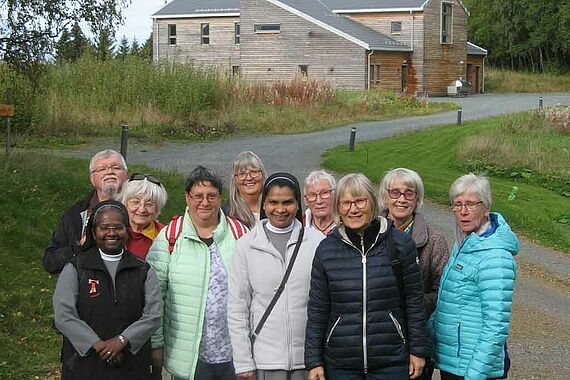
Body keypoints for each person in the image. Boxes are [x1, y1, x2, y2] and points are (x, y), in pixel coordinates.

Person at [305, 173, 429, 380]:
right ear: (338, 208)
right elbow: (318, 309)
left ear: (372, 202)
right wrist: (314, 361)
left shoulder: (400, 244)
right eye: (346, 203)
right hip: (341, 363)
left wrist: (418, 351)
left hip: (390, 361)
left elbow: (414, 302)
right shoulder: (326, 250)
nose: (353, 209)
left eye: (360, 201)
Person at [146, 165, 248, 380]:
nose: (204, 202)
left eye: (211, 196)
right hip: (188, 357)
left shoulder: (240, 234)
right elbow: (153, 297)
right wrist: (156, 344)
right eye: (198, 196)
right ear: (187, 197)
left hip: (234, 355)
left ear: (220, 198)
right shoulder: (169, 238)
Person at [228, 172, 324, 380]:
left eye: (288, 202)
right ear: (264, 205)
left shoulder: (318, 243)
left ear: (298, 205)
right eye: (273, 202)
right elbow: (237, 307)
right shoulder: (246, 246)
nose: (280, 209)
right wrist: (243, 362)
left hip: (309, 362)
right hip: (265, 361)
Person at [53, 200, 162, 380]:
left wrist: (121, 341)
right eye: (104, 227)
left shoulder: (143, 270)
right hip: (84, 363)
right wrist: (98, 345)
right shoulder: (75, 268)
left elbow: (154, 315)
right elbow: (64, 315)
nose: (111, 233)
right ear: (94, 232)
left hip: (132, 364)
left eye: (118, 227)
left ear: (127, 231)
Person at [431, 174, 518, 380]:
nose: (463, 212)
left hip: (474, 368)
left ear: (486, 207)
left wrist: (475, 375)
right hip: (455, 361)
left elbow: (496, 326)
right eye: (457, 204)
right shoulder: (466, 242)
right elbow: (451, 302)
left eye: (470, 204)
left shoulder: (495, 256)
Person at [379, 168, 449, 380]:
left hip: (416, 338)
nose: (401, 199)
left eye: (409, 193)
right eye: (395, 192)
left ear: (417, 198)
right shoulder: (370, 234)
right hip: (377, 339)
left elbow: (443, 291)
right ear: (385, 196)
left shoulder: (433, 241)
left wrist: (412, 306)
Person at [43, 149, 129, 274]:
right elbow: (50, 262)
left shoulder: (139, 210)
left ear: (126, 175)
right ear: (92, 179)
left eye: (116, 167)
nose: (109, 171)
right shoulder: (75, 214)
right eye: (102, 169)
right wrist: (78, 246)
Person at [118, 173, 168, 260]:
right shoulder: (111, 231)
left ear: (157, 209)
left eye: (149, 204)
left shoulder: (165, 235)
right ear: (125, 204)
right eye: (135, 202)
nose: (142, 209)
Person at [224, 151, 267, 228]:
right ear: (235, 180)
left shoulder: (276, 207)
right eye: (242, 174)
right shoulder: (226, 213)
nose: (249, 178)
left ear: (262, 175)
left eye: (254, 172)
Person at [303, 170, 336, 236]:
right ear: (306, 201)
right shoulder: (299, 225)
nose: (319, 201)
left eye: (325, 193)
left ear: (335, 196)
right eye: (312, 195)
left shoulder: (345, 224)